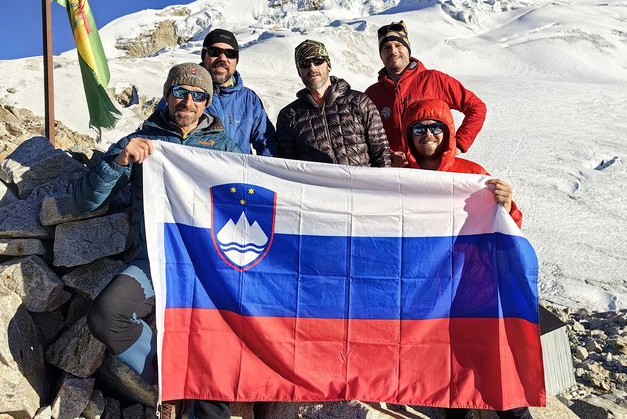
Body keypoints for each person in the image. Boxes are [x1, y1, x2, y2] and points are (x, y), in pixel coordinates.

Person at [74, 63, 240, 419]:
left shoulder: (226, 146)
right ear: (167, 95)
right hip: (156, 259)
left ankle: (201, 398)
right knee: (106, 315)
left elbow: (249, 198)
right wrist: (120, 161)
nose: (188, 102)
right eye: (180, 92)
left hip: (211, 265)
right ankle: (174, 381)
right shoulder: (142, 140)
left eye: (198, 96)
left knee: (212, 343)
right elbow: (84, 200)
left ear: (208, 102)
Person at [402, 97, 528, 419]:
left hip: (477, 291)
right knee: (453, 389)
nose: (427, 134)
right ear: (409, 134)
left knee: (502, 382)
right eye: (418, 128)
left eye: (435, 127)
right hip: (433, 299)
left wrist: (507, 204)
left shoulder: (472, 175)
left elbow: (509, 226)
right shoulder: (401, 180)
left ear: (448, 132)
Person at [365, 20, 487, 167]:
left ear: (408, 50)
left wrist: (459, 144)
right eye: (386, 47)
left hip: (434, 171)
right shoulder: (373, 94)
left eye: (399, 45)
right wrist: (388, 157)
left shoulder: (435, 80)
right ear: (381, 54)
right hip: (395, 174)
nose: (393, 51)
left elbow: (476, 107)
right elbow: (367, 137)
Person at [276, 39, 390, 166]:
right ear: (299, 72)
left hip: (362, 184)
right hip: (317, 186)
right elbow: (288, 167)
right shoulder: (289, 116)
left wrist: (381, 183)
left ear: (328, 65)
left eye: (318, 61)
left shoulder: (359, 101)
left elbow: (381, 152)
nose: (312, 68)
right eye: (304, 63)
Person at [179, 28, 277, 156]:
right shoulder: (183, 93)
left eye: (230, 54)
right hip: (196, 174)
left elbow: (267, 143)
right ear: (204, 56)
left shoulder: (249, 99)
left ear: (236, 61)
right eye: (215, 52)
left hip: (239, 174)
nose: (222, 58)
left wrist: (265, 173)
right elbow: (158, 132)